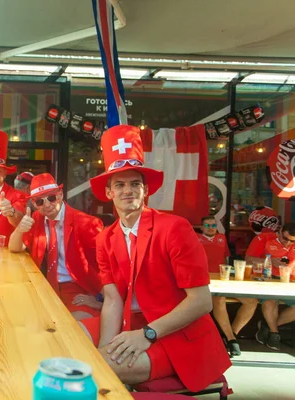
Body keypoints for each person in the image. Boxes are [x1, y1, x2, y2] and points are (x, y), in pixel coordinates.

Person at [89, 125, 230, 391]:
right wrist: (104, 348)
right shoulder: (105, 238)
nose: (127, 190)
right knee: (71, 346)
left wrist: (147, 334)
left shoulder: (174, 228)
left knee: (93, 368)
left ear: (146, 191)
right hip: (134, 327)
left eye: (135, 184)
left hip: (179, 338)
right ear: (109, 193)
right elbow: (112, 299)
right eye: (119, 184)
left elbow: (202, 302)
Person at [9, 173, 104, 339]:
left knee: (67, 335)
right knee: (19, 327)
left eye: (51, 198)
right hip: (45, 288)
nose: (46, 205)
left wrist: (100, 299)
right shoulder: (37, 218)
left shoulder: (87, 223)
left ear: (60, 195)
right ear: (34, 204)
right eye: (39, 201)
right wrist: (20, 228)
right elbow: (14, 247)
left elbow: (109, 267)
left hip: (77, 291)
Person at [197, 215, 257, 357]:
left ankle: (232, 335)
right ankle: (231, 340)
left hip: (223, 278)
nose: (211, 228)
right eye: (207, 225)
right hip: (203, 281)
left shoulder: (222, 238)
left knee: (251, 301)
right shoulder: (194, 238)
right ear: (201, 228)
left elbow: (225, 259)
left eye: (213, 225)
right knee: (219, 299)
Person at [246, 222, 295, 350]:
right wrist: (268, 261)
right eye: (285, 239)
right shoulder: (264, 238)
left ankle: (267, 325)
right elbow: (248, 259)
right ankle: (274, 333)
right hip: (265, 280)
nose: (288, 243)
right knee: (270, 300)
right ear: (279, 231)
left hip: (289, 282)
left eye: (292, 241)